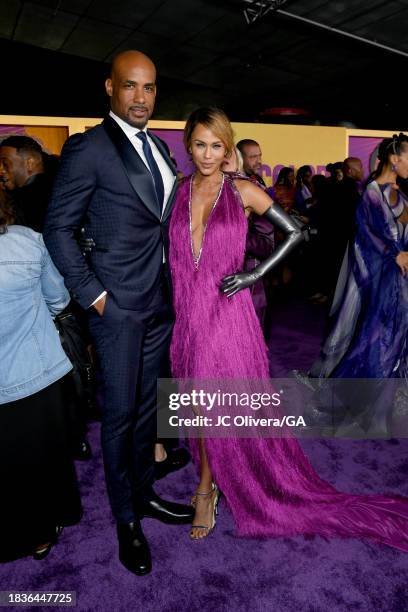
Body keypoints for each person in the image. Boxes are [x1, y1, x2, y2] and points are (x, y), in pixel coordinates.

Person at [169, 108, 408, 550]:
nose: (207, 154)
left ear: (227, 148)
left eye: (216, 145)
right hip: (188, 314)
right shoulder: (179, 191)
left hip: (227, 314)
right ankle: (214, 478)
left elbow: (295, 232)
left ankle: (206, 490)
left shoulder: (240, 189)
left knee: (207, 401)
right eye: (200, 144)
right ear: (189, 145)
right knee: (198, 399)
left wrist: (252, 275)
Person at [44, 50, 193, 576]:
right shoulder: (89, 149)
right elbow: (57, 228)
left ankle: (145, 493)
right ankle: (125, 517)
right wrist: (93, 295)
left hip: (159, 302)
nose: (141, 98)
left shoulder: (158, 147)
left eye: (149, 88)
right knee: (119, 416)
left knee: (149, 410)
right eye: (131, 86)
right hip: (117, 307)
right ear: (110, 87)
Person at [0, 192, 82, 561]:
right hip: (33, 374)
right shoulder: (27, 243)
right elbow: (58, 300)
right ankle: (40, 535)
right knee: (41, 458)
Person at [310, 134, 408, 379]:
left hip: (401, 278)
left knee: (398, 334)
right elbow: (367, 238)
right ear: (394, 159)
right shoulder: (372, 194)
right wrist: (395, 254)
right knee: (378, 336)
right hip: (382, 278)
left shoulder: (401, 195)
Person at [0, 136, 55, 232]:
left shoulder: (33, 198)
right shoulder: (59, 186)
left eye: (5, 163)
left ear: (30, 163)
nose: (1, 170)